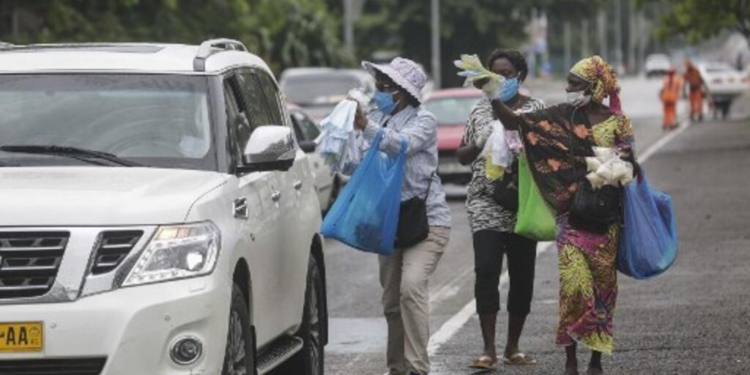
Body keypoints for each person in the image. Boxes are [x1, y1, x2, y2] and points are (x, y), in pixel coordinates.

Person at [486, 56, 635, 375]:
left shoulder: (618, 122)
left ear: (594, 87)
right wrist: (493, 96)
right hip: (571, 218)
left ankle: (595, 359)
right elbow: (516, 123)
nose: (568, 89)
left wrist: (602, 166)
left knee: (602, 291)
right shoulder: (560, 116)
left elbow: (629, 165)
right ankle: (570, 359)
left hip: (606, 220)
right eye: (567, 83)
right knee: (573, 287)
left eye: (575, 84)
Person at [352, 57, 452, 375]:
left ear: (403, 92)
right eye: (378, 85)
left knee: (411, 288)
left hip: (427, 221)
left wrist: (364, 127)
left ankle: (418, 368)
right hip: (391, 222)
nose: (379, 92)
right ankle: (396, 368)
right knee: (391, 302)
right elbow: (354, 162)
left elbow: (402, 146)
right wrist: (345, 129)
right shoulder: (378, 120)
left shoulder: (424, 121)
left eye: (386, 86)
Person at [456, 49, 544, 371]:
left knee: (522, 277)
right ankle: (488, 349)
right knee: (487, 271)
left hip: (523, 205)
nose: (501, 79)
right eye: (494, 74)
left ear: (520, 75)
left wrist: (496, 100)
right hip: (485, 202)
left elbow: (532, 138)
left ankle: (513, 347)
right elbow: (463, 156)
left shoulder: (534, 108)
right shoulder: (479, 110)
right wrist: (479, 140)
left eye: (506, 74)